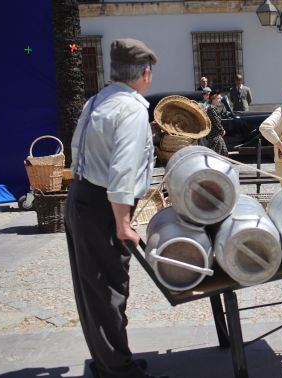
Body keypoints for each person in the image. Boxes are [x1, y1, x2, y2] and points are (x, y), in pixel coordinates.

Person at [65, 38, 168, 378]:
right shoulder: (132, 109)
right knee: (109, 289)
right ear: (144, 73)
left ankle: (112, 361)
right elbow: (122, 170)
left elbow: (77, 148)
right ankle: (119, 372)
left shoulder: (97, 100)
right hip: (102, 206)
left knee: (93, 290)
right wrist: (123, 223)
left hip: (82, 197)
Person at [200, 90, 229, 156]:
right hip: (214, 136)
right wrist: (222, 130)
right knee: (217, 154)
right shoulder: (211, 109)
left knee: (223, 153)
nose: (220, 100)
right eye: (218, 98)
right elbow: (216, 121)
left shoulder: (213, 108)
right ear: (213, 99)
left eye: (220, 98)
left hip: (216, 135)